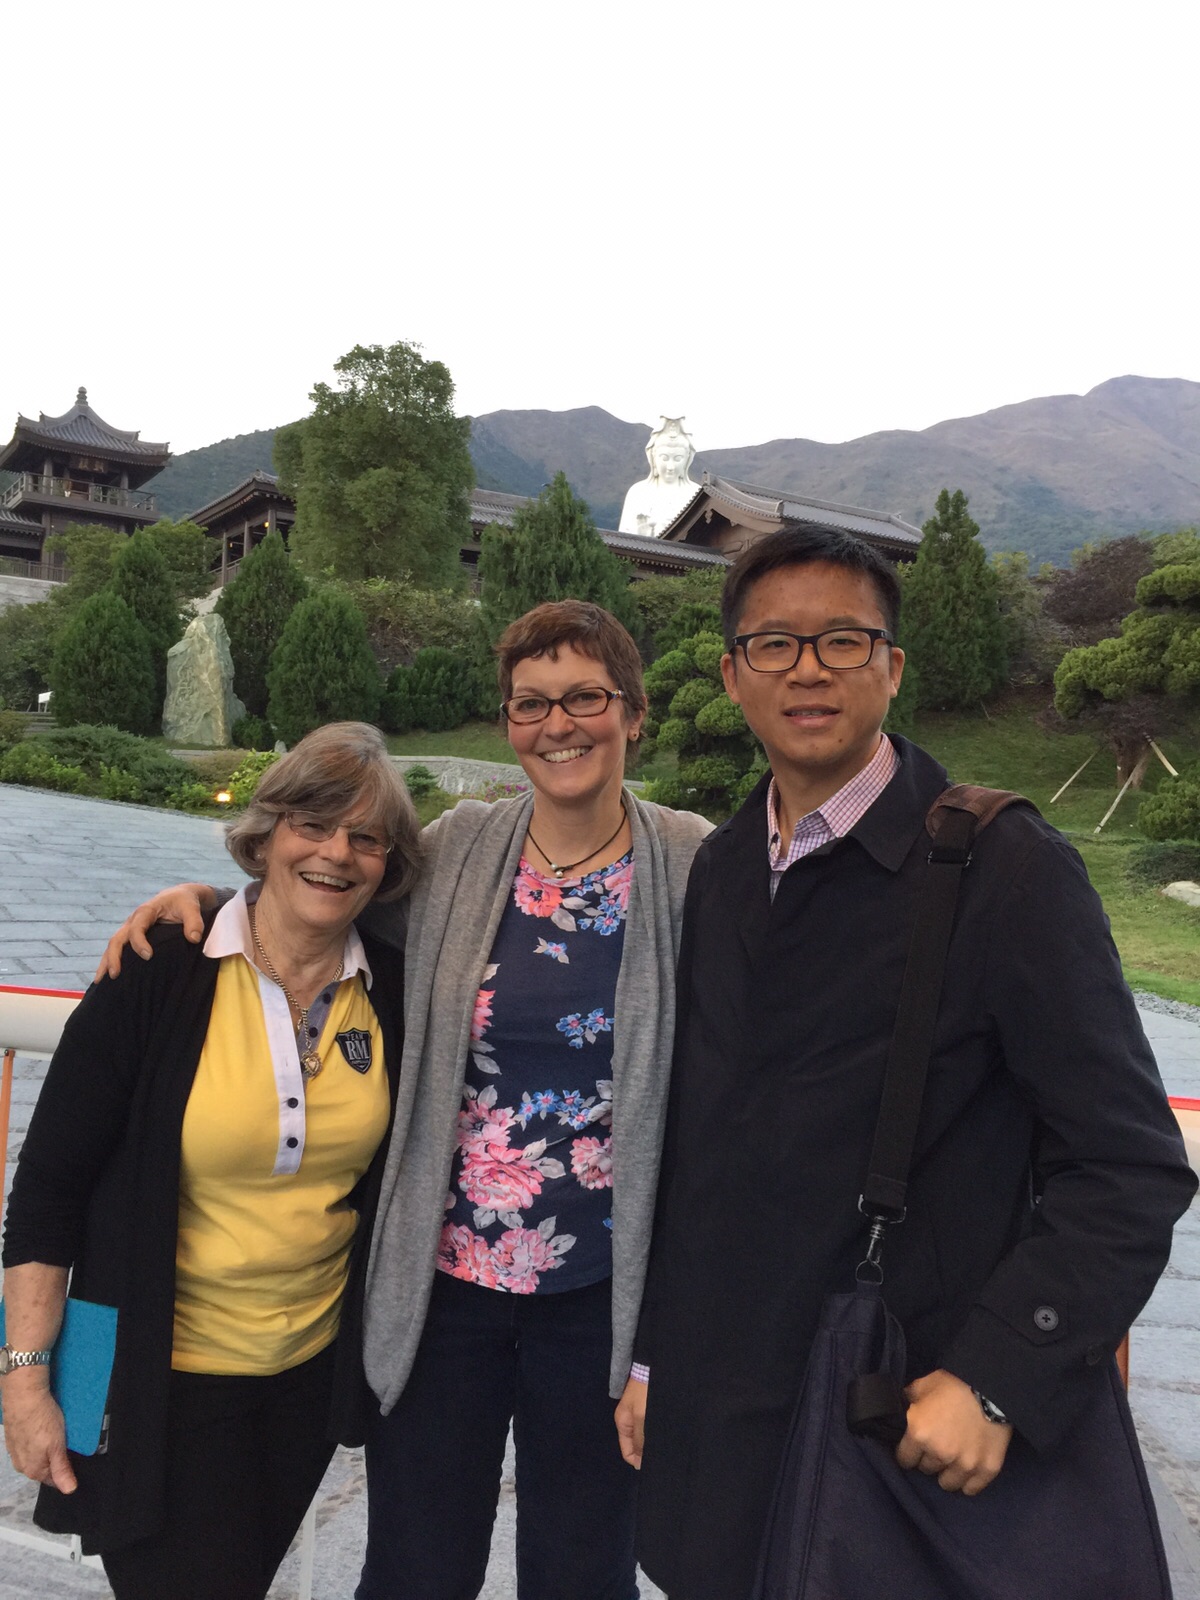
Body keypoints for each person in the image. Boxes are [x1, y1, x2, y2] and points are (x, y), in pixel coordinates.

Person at [622, 527, 1197, 1600]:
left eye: (843, 640)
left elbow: (1127, 1166)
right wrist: (659, 1360)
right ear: (730, 676)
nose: (807, 668)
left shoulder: (999, 867)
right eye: (775, 644)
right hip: (727, 1430)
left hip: (901, 1418)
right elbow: (698, 1142)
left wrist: (999, 1376)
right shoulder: (731, 864)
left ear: (892, 666)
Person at [96, 600, 712, 1600]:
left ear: (633, 712)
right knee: (417, 1566)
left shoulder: (692, 862)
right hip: (443, 1286)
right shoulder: (464, 845)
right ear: (508, 722)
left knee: (584, 1568)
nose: (559, 724)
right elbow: (325, 886)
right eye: (531, 703)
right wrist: (206, 902)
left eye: (586, 698)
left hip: (602, 1292)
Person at [1, 722, 419, 1600]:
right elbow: (46, 1191)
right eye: (312, 823)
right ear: (265, 836)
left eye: (366, 836)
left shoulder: (392, 987)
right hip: (147, 1379)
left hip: (303, 1383)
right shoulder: (160, 970)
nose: (336, 853)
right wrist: (26, 1378)